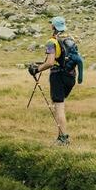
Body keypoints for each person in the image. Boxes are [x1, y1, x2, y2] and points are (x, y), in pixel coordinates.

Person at [32, 16, 77, 145]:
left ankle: (63, 139)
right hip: (71, 75)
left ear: (53, 26)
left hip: (58, 76)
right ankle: (61, 136)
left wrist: (37, 69)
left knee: (59, 108)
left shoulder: (51, 42)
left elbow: (51, 62)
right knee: (60, 105)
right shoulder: (70, 39)